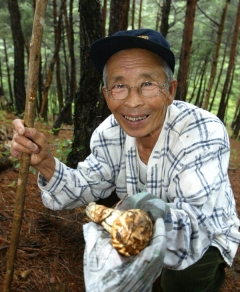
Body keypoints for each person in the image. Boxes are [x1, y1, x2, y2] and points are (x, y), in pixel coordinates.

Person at [11, 29, 240, 292]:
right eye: (119, 86)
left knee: (181, 280)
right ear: (106, 94)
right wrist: (46, 163)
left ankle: (209, 276)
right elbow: (84, 185)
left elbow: (195, 224)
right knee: (106, 203)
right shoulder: (109, 133)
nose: (133, 102)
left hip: (204, 234)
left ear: (170, 90)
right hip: (146, 223)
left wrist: (128, 225)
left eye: (148, 84)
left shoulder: (201, 131)